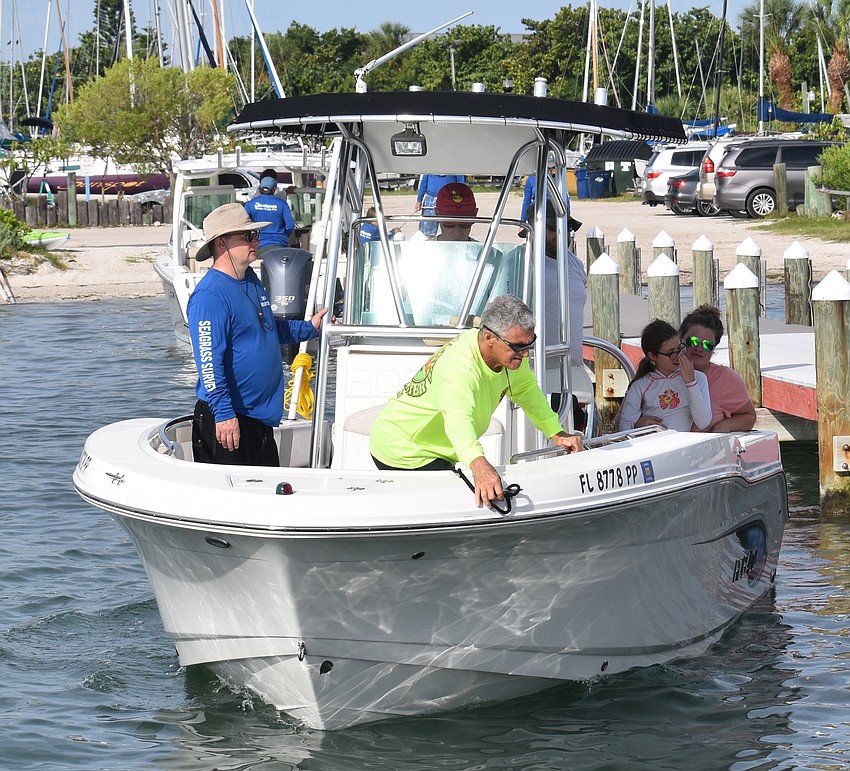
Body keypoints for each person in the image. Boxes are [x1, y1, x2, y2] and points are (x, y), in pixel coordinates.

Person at [369, 295, 584, 508]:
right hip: (404, 449)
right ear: (490, 337)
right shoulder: (461, 368)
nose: (526, 353)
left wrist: (556, 433)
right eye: (519, 346)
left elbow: (527, 391)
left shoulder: (513, 357)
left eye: (530, 343)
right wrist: (478, 464)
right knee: (462, 504)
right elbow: (458, 420)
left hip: (436, 447)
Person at [187, 203, 328, 466]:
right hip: (228, 420)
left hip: (259, 421)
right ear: (221, 244)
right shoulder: (209, 296)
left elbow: (267, 329)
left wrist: (309, 327)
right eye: (247, 236)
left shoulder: (250, 279)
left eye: (255, 235)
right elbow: (208, 365)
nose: (256, 241)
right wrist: (225, 414)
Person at [532, 202, 588, 429]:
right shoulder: (524, 261)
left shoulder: (575, 263)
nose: (561, 234)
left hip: (572, 370)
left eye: (565, 227)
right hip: (538, 372)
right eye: (553, 228)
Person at [616, 319, 711, 432]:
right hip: (652, 444)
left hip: (683, 445)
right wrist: (637, 424)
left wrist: (691, 384)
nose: (677, 356)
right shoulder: (640, 385)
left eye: (679, 348)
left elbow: (703, 422)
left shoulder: (697, 378)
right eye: (671, 352)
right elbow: (625, 423)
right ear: (652, 356)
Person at [679, 304, 757, 432]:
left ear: (714, 347)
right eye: (692, 341)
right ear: (681, 339)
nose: (699, 348)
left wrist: (724, 426)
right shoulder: (663, 369)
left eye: (707, 345)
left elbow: (749, 417)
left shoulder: (727, 378)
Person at [243, 175, 295, 254]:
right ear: (274, 189)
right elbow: (290, 225)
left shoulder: (250, 204)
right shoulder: (282, 204)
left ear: (260, 188)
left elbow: (244, 224)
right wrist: (282, 236)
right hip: (279, 245)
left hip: (257, 246)